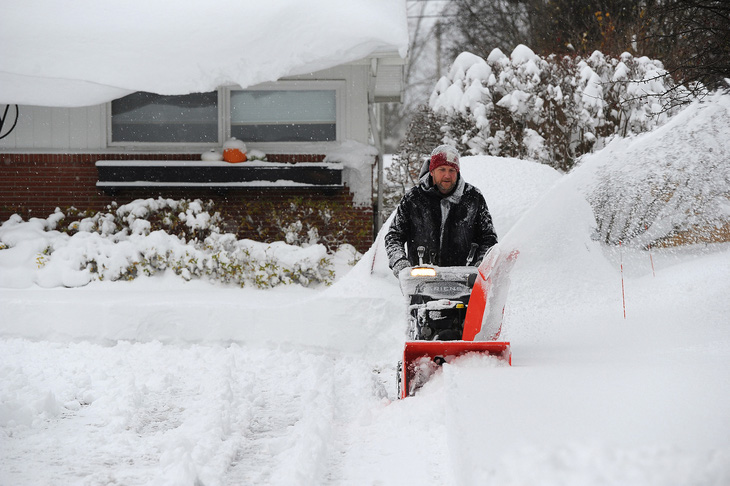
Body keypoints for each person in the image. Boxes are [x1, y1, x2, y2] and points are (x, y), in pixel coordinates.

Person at [385, 144, 498, 276]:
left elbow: (489, 238)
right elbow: (394, 236)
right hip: (421, 282)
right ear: (431, 171)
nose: (447, 176)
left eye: (452, 170)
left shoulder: (473, 198)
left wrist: (482, 264)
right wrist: (399, 261)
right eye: (442, 169)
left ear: (458, 172)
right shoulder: (413, 199)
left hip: (465, 281)